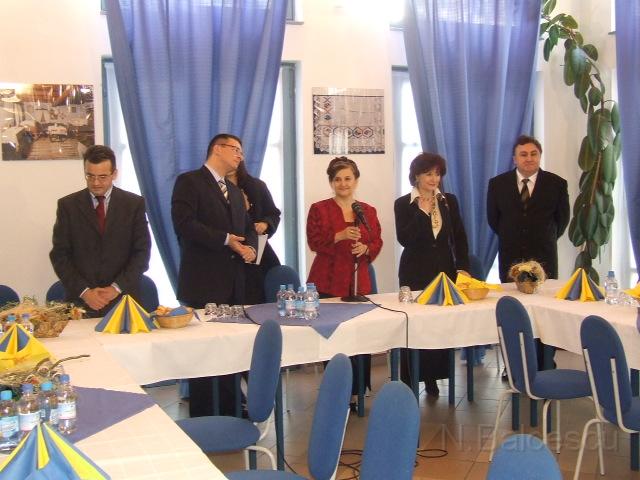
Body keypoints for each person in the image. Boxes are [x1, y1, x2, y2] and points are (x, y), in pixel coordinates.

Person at [171, 133, 257, 417]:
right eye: (236, 149)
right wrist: (225, 239)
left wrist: (250, 248)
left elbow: (247, 228)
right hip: (203, 283)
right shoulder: (189, 182)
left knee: (231, 352)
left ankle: (232, 411)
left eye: (241, 151)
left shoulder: (234, 191)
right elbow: (184, 224)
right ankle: (206, 417)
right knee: (205, 356)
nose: (240, 156)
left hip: (234, 285)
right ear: (217, 149)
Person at [306, 157, 383, 405]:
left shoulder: (368, 210)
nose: (343, 184)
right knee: (334, 338)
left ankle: (359, 388)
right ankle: (337, 390)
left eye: (348, 178)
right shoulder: (319, 209)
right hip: (328, 282)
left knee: (360, 336)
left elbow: (377, 240)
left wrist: (366, 248)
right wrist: (338, 236)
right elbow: (314, 242)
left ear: (356, 180)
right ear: (331, 182)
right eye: (337, 179)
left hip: (359, 283)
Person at [394, 152, 469, 397]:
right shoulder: (403, 203)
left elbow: (459, 236)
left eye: (437, 174)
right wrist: (422, 213)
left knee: (439, 326)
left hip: (444, 271)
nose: (434, 179)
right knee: (415, 326)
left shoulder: (448, 201)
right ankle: (411, 378)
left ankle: (434, 377)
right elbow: (405, 238)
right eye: (428, 174)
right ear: (416, 175)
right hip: (414, 272)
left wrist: (462, 267)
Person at [50, 145, 151, 318]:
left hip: (124, 300)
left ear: (114, 174)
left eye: (102, 177)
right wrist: (85, 292)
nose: (96, 183)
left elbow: (141, 253)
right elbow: (60, 255)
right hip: (81, 304)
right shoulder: (68, 206)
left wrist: (116, 288)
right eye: (90, 176)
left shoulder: (133, 204)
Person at [487, 134, 570, 282]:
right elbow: (493, 219)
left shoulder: (557, 184)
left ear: (540, 156)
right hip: (510, 257)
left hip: (544, 256)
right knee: (511, 295)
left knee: (545, 295)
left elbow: (562, 220)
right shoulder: (497, 184)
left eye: (533, 154)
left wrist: (545, 236)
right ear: (515, 159)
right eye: (523, 154)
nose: (529, 158)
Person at [226, 160, 281, 304]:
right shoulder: (214, 188)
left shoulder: (257, 185)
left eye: (238, 152)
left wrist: (265, 224)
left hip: (258, 251)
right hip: (228, 252)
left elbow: (273, 214)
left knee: (258, 297)